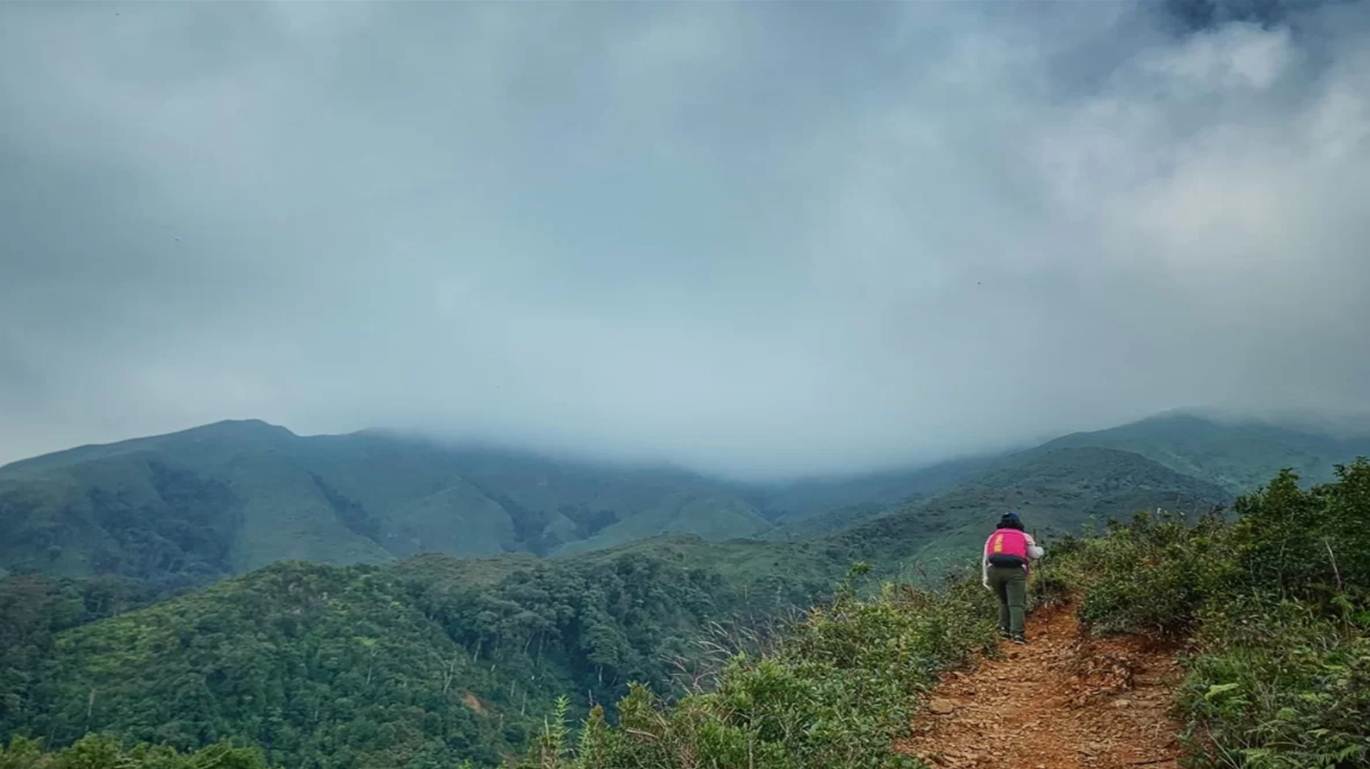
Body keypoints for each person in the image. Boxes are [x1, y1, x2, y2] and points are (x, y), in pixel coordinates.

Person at [981, 512, 1044, 644]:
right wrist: (1040, 550)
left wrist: (985, 577)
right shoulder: (1024, 536)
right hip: (1015, 572)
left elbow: (986, 558)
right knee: (1016, 603)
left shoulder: (993, 536)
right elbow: (1035, 555)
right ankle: (1017, 634)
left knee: (1003, 601)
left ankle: (1003, 629)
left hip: (993, 571)